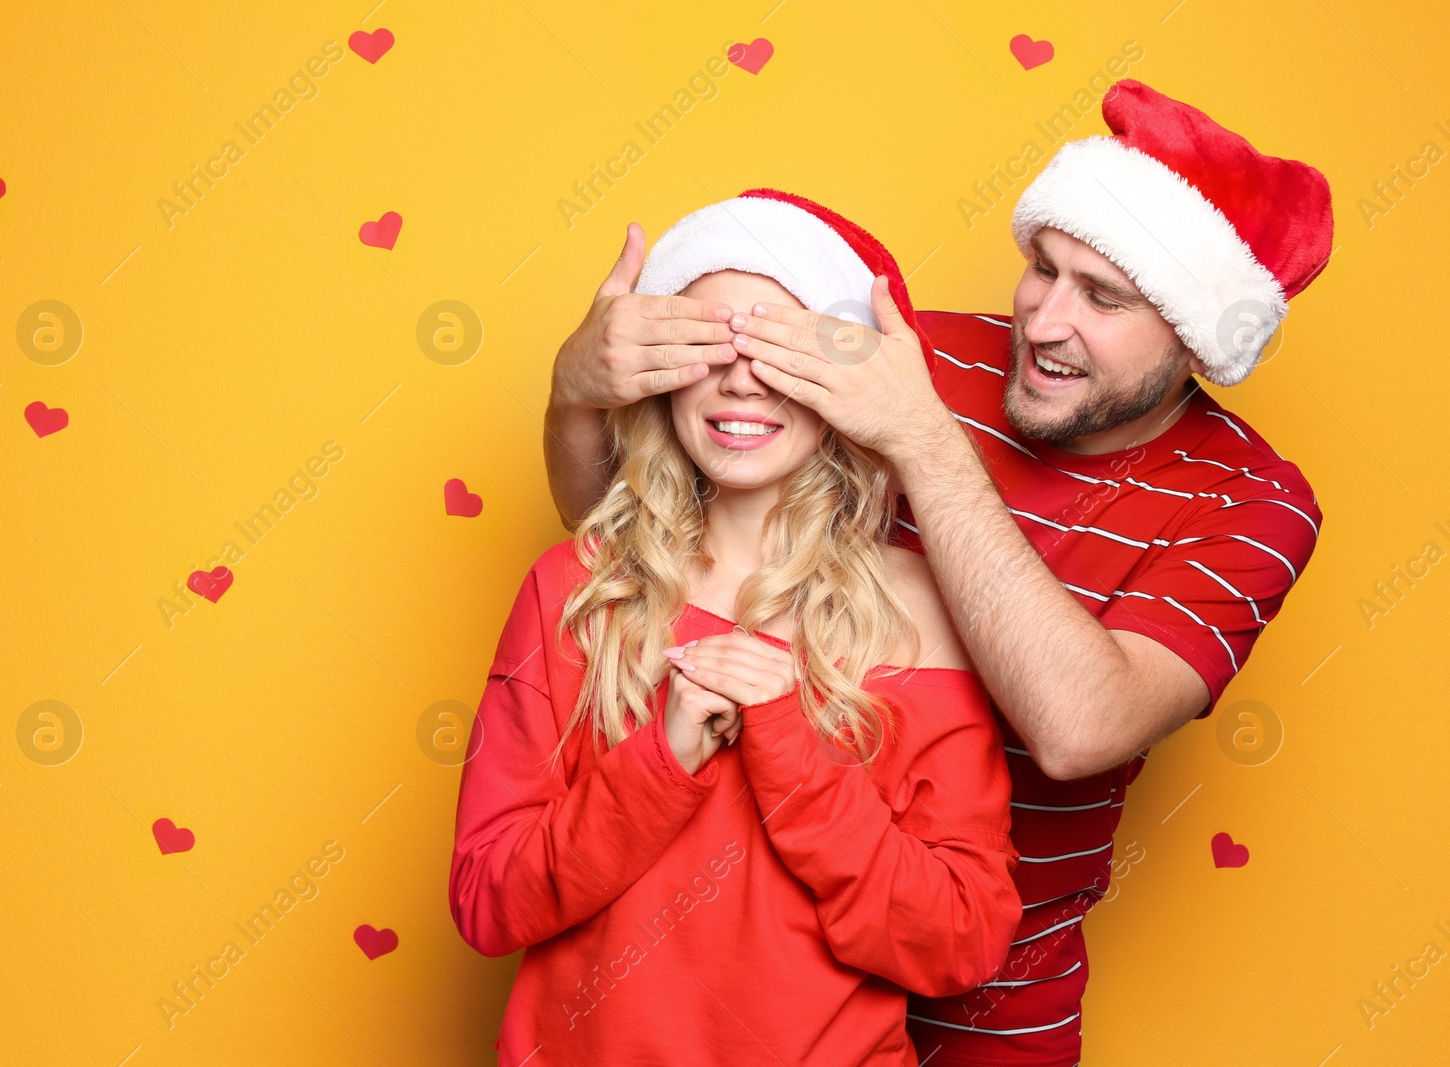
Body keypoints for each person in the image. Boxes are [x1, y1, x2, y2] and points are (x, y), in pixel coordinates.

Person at [542, 80, 1331, 1065]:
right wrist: (577, 394)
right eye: (1041, 269)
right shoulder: (912, 351)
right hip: (755, 931)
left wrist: (922, 440)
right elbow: (636, 537)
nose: (1043, 321)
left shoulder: (1249, 504)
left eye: (1104, 296)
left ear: (1193, 332)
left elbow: (1078, 727)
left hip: (998, 982)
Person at [451, 190, 1023, 1066]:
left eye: (777, 346)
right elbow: (488, 900)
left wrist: (792, 749)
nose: (739, 376)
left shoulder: (925, 625)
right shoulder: (576, 587)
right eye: (710, 341)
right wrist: (658, 762)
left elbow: (960, 942)